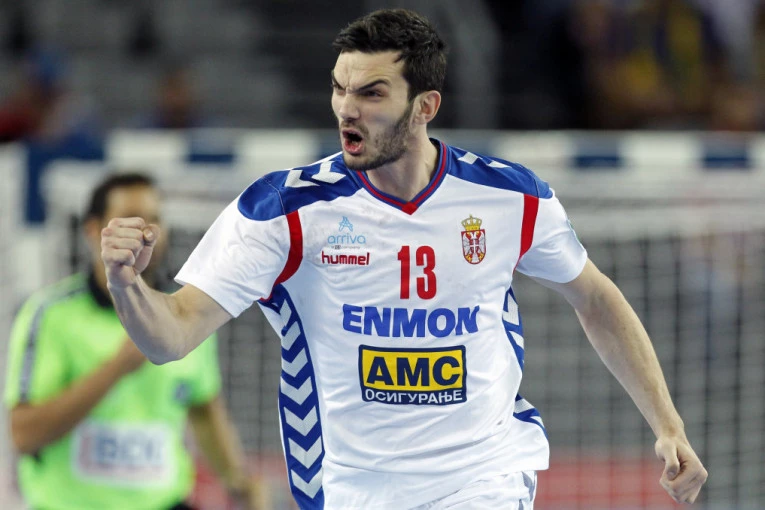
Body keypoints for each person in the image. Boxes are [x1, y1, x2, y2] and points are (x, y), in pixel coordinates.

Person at [99, 9, 708, 509]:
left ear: (425, 106)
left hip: (483, 477)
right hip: (347, 488)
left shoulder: (508, 198)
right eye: (339, 87)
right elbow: (171, 337)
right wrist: (127, 284)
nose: (346, 108)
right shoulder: (284, 209)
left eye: (371, 93)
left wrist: (668, 424)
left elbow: (595, 296)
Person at [4, 173, 263, 510]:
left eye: (154, 219)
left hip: (164, 503)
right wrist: (116, 369)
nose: (146, 232)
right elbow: (24, 435)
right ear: (93, 229)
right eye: (129, 220)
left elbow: (203, 409)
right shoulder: (51, 315)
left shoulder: (185, 313)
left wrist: (238, 481)